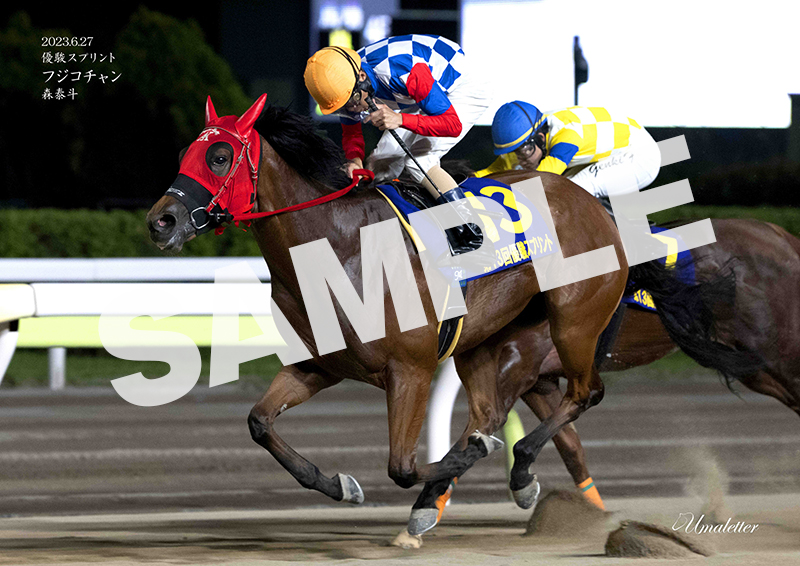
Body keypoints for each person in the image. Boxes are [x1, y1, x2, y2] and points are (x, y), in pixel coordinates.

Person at [304, 36, 492, 248]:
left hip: (462, 86)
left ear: (362, 76)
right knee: (379, 162)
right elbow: (351, 133)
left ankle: (472, 234)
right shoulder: (346, 85)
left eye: (354, 101)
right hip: (420, 93)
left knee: (419, 160)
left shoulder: (402, 71)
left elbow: (452, 125)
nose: (353, 109)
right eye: (344, 107)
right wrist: (354, 160)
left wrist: (400, 119)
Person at [477, 102, 661, 216]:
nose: (520, 159)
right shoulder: (531, 136)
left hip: (640, 154)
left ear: (539, 138)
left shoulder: (567, 135)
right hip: (612, 150)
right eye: (515, 151)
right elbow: (494, 171)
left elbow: (541, 179)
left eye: (523, 151)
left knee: (568, 192)